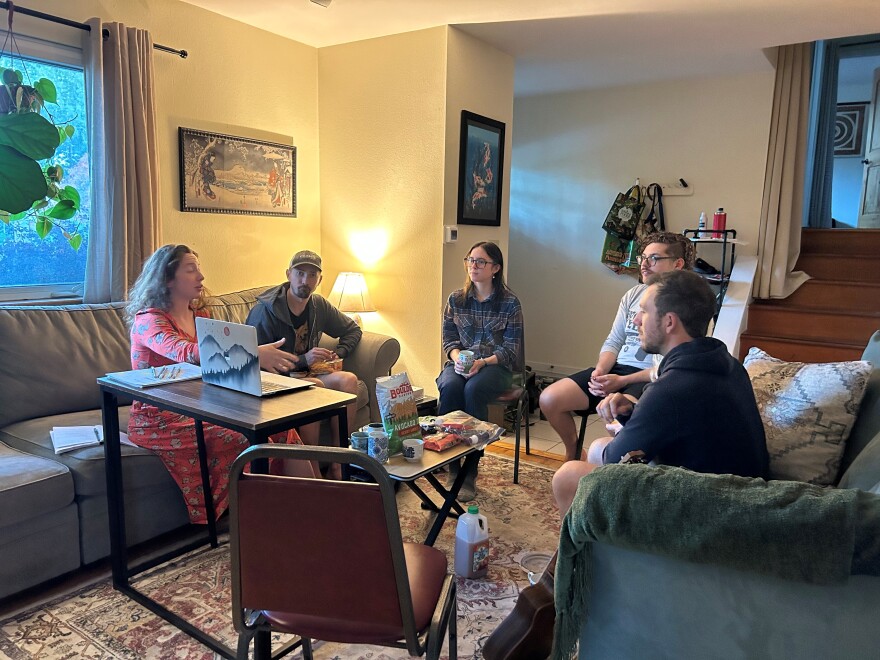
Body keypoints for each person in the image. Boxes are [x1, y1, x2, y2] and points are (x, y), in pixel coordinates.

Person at [126, 244, 314, 525]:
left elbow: (218, 367)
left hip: (205, 404)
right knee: (243, 438)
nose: (201, 276)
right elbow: (184, 352)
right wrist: (254, 352)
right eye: (191, 270)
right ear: (167, 279)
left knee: (282, 428)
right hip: (160, 417)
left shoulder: (199, 315)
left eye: (199, 269)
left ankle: (317, 506)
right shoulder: (148, 321)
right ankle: (258, 521)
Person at [552, 270, 768, 513]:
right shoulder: (726, 364)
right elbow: (678, 422)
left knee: (568, 476)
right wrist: (631, 412)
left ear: (669, 322)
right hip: (740, 493)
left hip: (709, 509)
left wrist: (627, 425)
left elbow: (616, 459)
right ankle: (601, 545)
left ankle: (578, 549)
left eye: (644, 311)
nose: (636, 321)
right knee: (596, 448)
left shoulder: (672, 388)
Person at [538, 232, 694, 461]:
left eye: (654, 258)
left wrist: (622, 382)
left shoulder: (685, 305)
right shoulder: (632, 295)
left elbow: (665, 368)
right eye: (642, 257)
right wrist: (601, 372)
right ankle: (573, 451)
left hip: (649, 379)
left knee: (614, 414)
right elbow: (614, 340)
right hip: (617, 369)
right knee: (550, 398)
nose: (644, 264)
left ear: (677, 264)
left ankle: (612, 469)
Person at [245, 250, 361, 453]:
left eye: (312, 275)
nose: (305, 280)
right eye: (299, 273)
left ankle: (340, 461)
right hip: (275, 381)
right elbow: (255, 363)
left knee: (349, 380)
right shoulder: (265, 311)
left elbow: (352, 330)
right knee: (314, 386)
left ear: (319, 280)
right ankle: (312, 466)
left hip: (305, 373)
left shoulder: (318, 305)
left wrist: (339, 353)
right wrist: (304, 359)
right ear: (288, 274)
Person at [437, 241, 524, 501]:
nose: (473, 266)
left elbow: (511, 350)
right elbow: (449, 340)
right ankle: (452, 465)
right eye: (470, 260)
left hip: (495, 366)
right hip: (459, 363)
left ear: (495, 268)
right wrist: (458, 358)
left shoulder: (510, 303)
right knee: (451, 386)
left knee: (474, 389)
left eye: (481, 261)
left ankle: (470, 469)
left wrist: (482, 363)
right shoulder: (456, 299)